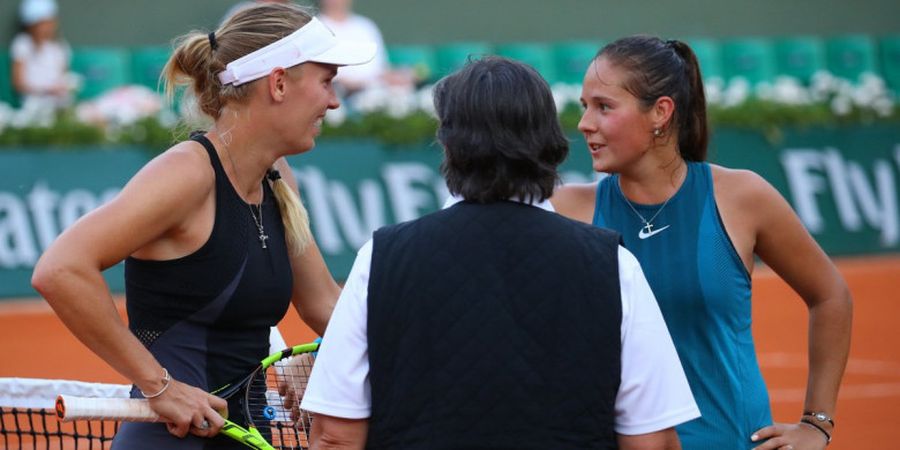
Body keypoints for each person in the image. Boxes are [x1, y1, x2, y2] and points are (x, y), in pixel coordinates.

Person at [300, 56, 700, 449]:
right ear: (548, 141)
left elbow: (336, 437)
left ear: (448, 142)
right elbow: (651, 440)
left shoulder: (381, 258)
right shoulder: (614, 264)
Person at [30, 3, 375, 448]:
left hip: (250, 435)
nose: (333, 100)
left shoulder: (277, 176)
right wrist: (161, 386)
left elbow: (325, 304)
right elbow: (60, 269)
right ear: (279, 82)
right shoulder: (188, 174)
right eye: (326, 82)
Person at [551, 36, 853, 449]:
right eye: (585, 106)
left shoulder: (742, 197)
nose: (585, 123)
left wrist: (816, 423)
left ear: (661, 112)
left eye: (603, 106)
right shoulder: (565, 209)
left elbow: (830, 294)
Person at [317, 0, 414, 95]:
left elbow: (381, 68)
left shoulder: (366, 26)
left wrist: (398, 77)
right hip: (340, 94)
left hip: (376, 89)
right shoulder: (316, 28)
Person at [10, 0, 77, 109]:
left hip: (59, 103)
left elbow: (64, 75)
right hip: (33, 104)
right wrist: (45, 90)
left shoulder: (60, 46)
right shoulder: (22, 44)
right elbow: (18, 84)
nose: (47, 27)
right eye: (41, 23)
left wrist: (65, 86)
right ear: (31, 25)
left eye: (50, 22)